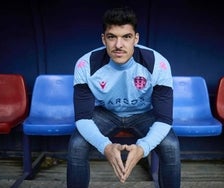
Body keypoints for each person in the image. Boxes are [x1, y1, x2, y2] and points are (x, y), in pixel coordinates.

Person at [67, 7, 181, 188]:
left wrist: (142, 148)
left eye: (126, 37)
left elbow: (164, 118)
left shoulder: (158, 63)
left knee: (171, 146)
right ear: (103, 38)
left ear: (136, 38)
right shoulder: (85, 64)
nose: (118, 45)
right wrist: (105, 146)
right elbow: (82, 118)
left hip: (144, 114)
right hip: (106, 113)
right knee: (77, 145)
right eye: (112, 37)